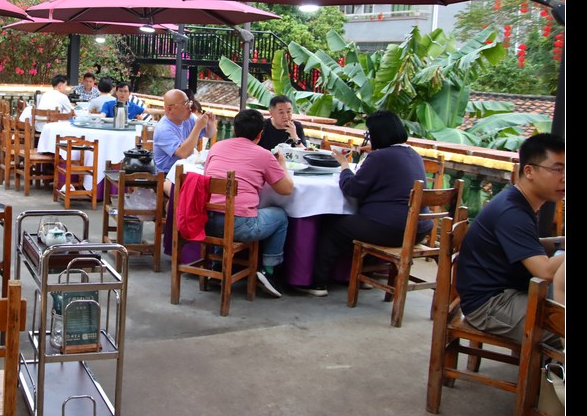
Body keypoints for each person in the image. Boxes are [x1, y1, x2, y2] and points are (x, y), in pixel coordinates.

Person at [296, 110, 429, 296]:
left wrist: (344, 165)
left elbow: (352, 189)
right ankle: (364, 275)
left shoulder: (380, 157)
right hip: (419, 230)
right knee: (361, 223)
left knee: (333, 225)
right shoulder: (413, 154)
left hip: (394, 230)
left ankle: (318, 283)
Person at [455, 133, 565, 342]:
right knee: (561, 323)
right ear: (529, 171)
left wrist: (560, 242)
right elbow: (545, 272)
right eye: (557, 170)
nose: (564, 177)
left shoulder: (519, 201)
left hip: (508, 292)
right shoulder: (512, 212)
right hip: (490, 305)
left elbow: (528, 247)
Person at [202, 109, 294, 298]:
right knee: (280, 216)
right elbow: (286, 189)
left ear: (235, 130)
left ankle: (218, 265)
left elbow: (207, 178)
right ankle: (268, 271)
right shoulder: (264, 155)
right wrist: (282, 166)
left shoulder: (216, 147)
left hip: (205, 222)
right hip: (239, 226)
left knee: (224, 206)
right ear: (260, 134)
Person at [153, 88, 217, 176]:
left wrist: (210, 123)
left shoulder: (189, 118)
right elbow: (183, 153)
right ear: (170, 109)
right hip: (167, 174)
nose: (189, 107)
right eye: (184, 104)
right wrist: (197, 127)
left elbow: (209, 134)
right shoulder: (163, 129)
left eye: (188, 102)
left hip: (187, 168)